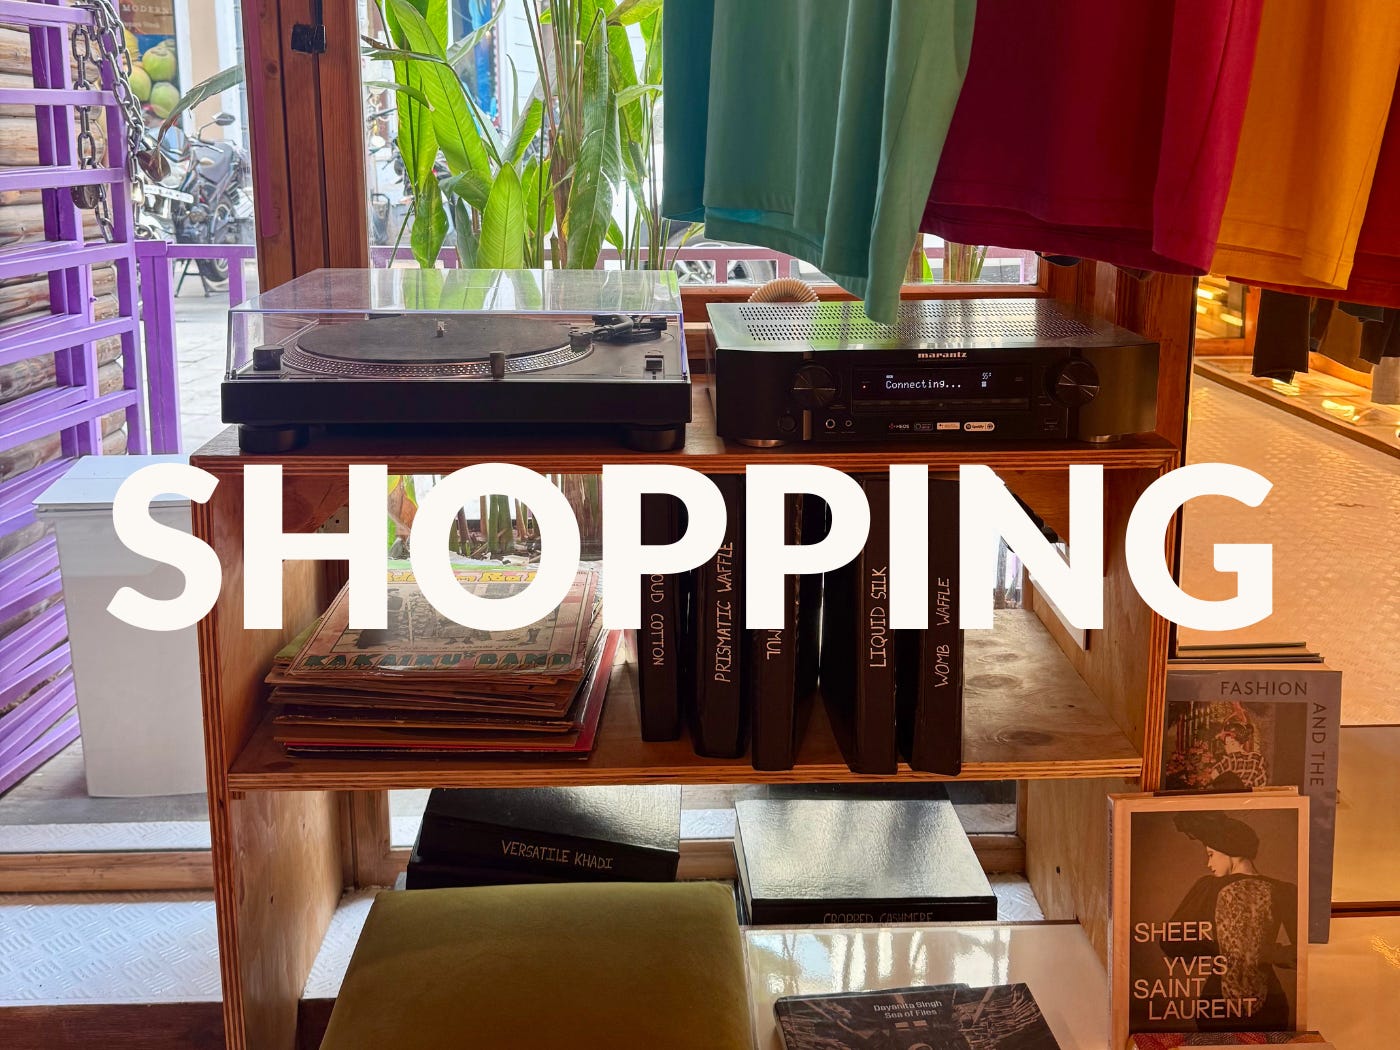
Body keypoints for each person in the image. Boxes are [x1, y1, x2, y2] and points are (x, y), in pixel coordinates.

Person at [1164, 811, 1298, 1030]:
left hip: (1217, 1001)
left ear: (1230, 852)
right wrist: (1266, 952)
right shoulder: (1285, 891)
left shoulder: (1207, 887)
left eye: (1211, 854)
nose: (1208, 863)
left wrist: (1220, 948)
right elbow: (1303, 951)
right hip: (1271, 1003)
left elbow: (1171, 942)